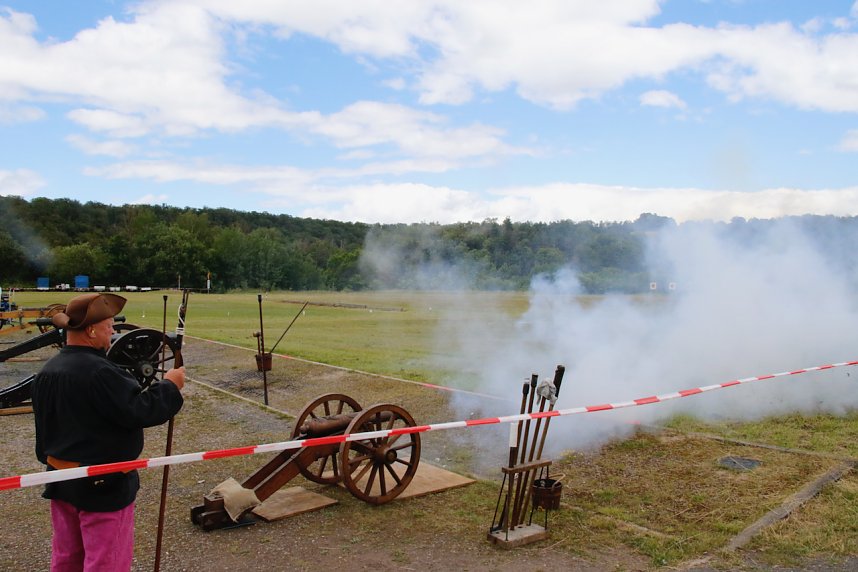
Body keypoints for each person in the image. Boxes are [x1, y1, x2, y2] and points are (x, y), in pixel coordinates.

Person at [31, 292, 185, 572]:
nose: (113, 331)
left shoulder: (48, 370)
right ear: (91, 330)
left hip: (60, 478)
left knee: (67, 558)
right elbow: (139, 409)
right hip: (102, 487)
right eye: (108, 325)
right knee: (106, 561)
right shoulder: (100, 372)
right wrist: (170, 386)